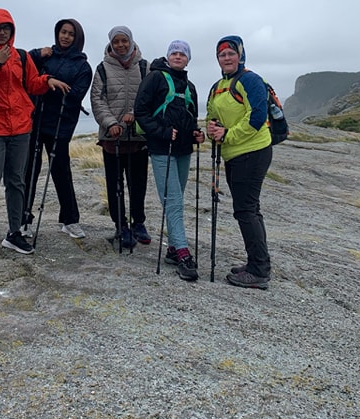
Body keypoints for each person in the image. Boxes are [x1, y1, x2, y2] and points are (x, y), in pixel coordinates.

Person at [0, 9, 70, 258]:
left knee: (16, 182)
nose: (3, 32)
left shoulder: (20, 55)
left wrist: (46, 81)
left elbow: (31, 83)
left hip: (21, 128)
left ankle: (14, 233)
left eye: (7, 28)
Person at [206, 35, 273, 290]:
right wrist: (212, 129)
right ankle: (257, 263)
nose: (226, 58)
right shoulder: (218, 86)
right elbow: (211, 115)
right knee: (250, 209)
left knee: (245, 210)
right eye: (221, 55)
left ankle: (259, 270)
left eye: (231, 53)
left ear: (240, 56)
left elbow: (257, 117)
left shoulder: (250, 80)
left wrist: (227, 135)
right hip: (234, 154)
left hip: (253, 152)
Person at [134, 40, 205, 281]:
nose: (177, 56)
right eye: (174, 53)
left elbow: (190, 118)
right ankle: (183, 253)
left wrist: (195, 133)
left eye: (182, 54)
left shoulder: (190, 86)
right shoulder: (154, 78)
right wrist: (162, 132)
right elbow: (140, 112)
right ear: (167, 56)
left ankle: (173, 250)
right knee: (173, 201)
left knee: (177, 199)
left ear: (188, 59)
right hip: (161, 150)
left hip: (184, 150)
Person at [24, 18, 93, 239]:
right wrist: (38, 55)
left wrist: (49, 83)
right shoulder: (46, 55)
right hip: (35, 121)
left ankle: (70, 220)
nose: (66, 37)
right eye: (63, 32)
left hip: (61, 124)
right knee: (29, 171)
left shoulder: (83, 66)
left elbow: (76, 94)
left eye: (71, 34)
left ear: (77, 38)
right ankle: (23, 220)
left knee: (61, 172)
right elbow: (25, 68)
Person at [90, 26, 151, 249]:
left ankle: (139, 223)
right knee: (114, 185)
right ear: (111, 43)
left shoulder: (145, 67)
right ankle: (120, 225)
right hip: (112, 138)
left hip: (138, 137)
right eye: (116, 41)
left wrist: (135, 114)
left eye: (124, 40)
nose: (120, 45)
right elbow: (97, 99)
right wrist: (111, 123)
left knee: (138, 184)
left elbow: (150, 97)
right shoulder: (102, 68)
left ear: (131, 41)